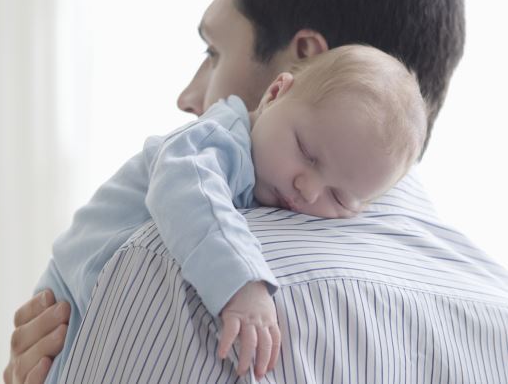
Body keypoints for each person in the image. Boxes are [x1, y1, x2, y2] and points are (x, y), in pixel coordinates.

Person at [4, 0, 508, 384]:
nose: (188, 98)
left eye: (214, 51)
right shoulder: (493, 308)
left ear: (301, 62)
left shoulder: (179, 261)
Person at [34, 44, 427, 382]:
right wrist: (241, 283)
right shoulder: (215, 140)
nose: (307, 190)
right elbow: (185, 191)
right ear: (275, 93)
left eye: (338, 198)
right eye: (307, 153)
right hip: (71, 293)